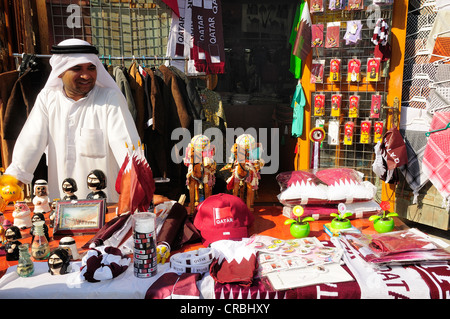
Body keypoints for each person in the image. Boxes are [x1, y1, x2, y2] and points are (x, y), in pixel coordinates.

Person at [4, 39, 140, 203]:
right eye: (77, 68)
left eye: (91, 68)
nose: (86, 75)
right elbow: (30, 143)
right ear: (60, 72)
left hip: (105, 205)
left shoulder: (110, 99)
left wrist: (138, 191)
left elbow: (128, 148)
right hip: (61, 205)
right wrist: (11, 184)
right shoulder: (48, 100)